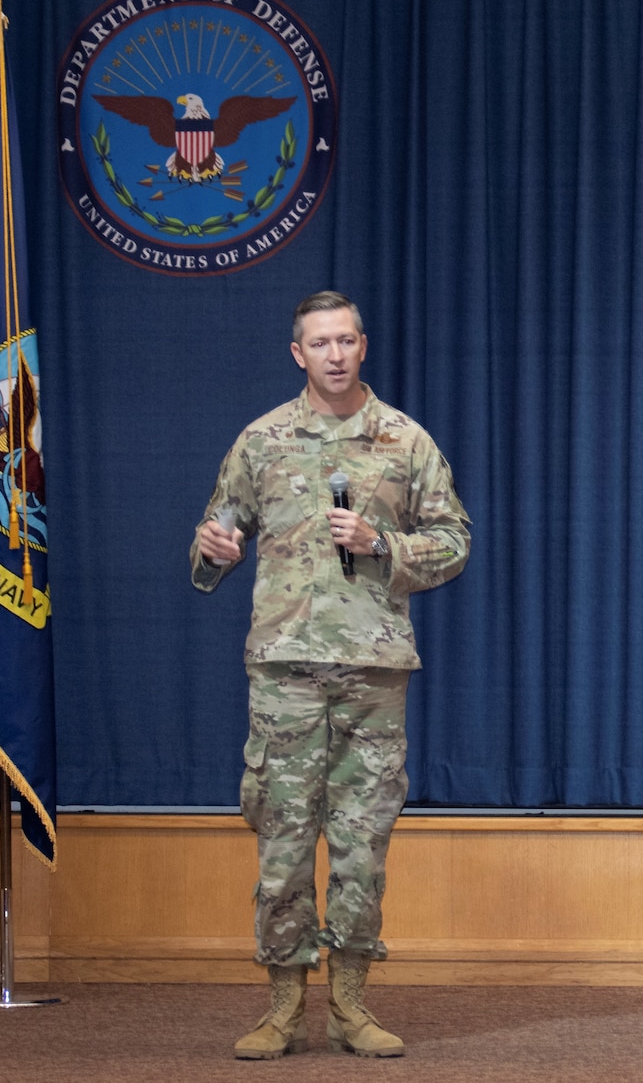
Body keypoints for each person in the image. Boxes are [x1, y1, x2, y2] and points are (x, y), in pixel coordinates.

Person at [191, 291, 471, 1059]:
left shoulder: (403, 440)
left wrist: (385, 541)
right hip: (284, 670)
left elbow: (454, 541)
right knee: (282, 841)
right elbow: (213, 537)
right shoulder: (262, 440)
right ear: (298, 353)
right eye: (321, 343)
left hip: (372, 670)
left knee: (360, 845)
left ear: (363, 345)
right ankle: (282, 1008)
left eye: (347, 340)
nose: (336, 354)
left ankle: (350, 1003)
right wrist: (212, 555)